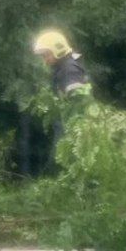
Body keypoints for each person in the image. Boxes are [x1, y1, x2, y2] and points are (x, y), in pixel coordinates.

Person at [33, 29, 92, 164]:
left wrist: (71, 130)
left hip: (71, 126)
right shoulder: (62, 67)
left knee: (59, 163)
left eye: (46, 55)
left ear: (57, 50)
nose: (45, 60)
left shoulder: (69, 70)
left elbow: (78, 103)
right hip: (66, 123)